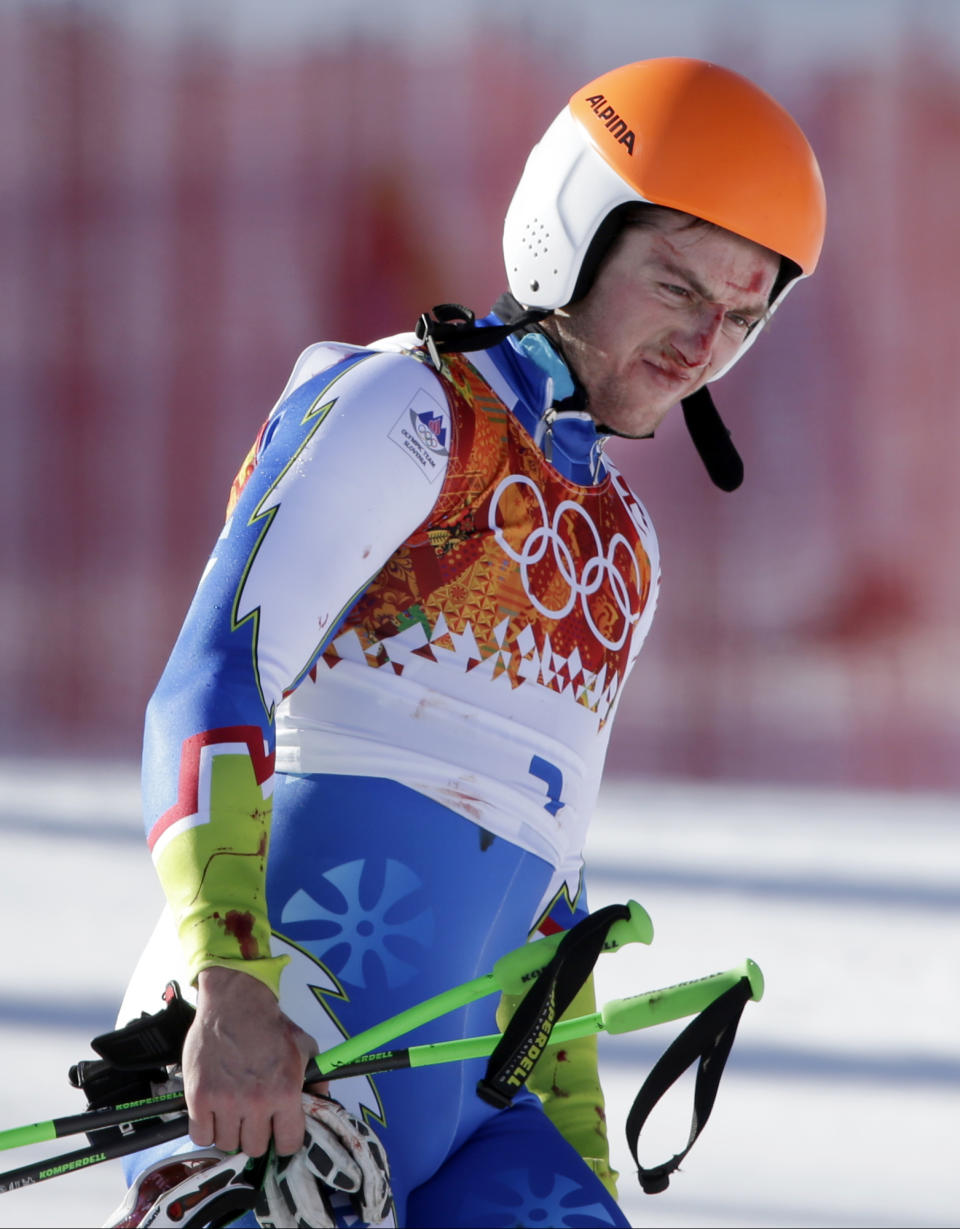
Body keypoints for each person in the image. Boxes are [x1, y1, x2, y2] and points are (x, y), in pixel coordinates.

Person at [109, 56, 825, 1228]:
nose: (705, 344)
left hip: (474, 1105)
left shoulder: (624, 541)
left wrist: (578, 1134)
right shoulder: (407, 407)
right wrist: (229, 985)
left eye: (742, 316)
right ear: (573, 233)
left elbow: (552, 870)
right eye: (678, 286)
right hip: (295, 1051)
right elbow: (211, 675)